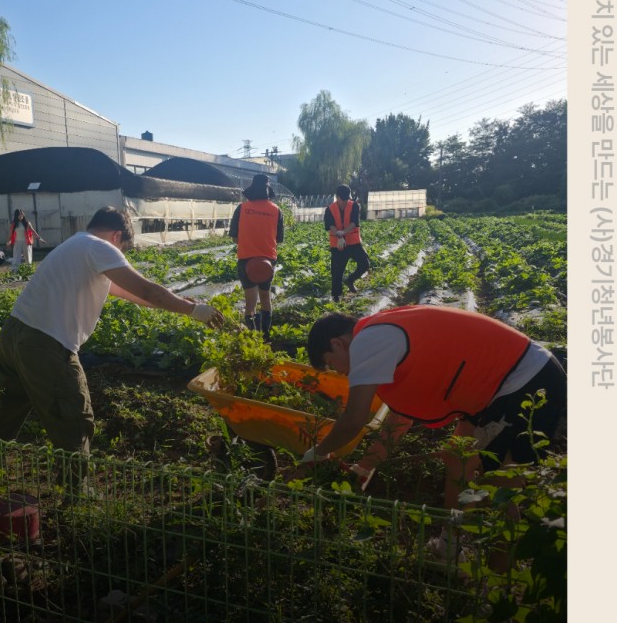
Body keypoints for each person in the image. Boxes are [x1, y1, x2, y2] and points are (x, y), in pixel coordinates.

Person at [0, 207, 223, 489]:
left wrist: (184, 305)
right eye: (123, 247)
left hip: (14, 334)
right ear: (117, 235)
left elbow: (135, 295)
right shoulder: (100, 247)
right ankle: (76, 493)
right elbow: (146, 290)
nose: (121, 253)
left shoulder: (76, 244)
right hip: (45, 343)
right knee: (74, 416)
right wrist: (196, 312)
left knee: (8, 408)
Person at [300, 306, 567, 549]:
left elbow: (353, 419)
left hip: (526, 381)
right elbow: (400, 419)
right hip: (498, 384)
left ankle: (497, 577)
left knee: (501, 489)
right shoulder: (384, 333)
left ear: (337, 344)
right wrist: (364, 468)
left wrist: (316, 455)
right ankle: (450, 547)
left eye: (331, 364)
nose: (340, 372)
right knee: (457, 457)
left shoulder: (369, 340)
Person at [229, 173, 284, 339]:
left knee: (250, 301)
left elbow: (234, 237)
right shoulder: (276, 210)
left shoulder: (242, 208)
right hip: (268, 260)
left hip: (246, 260)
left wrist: (249, 242)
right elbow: (279, 239)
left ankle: (253, 337)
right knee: (266, 297)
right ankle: (266, 335)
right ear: (268, 190)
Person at [324, 185, 370, 302]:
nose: (345, 201)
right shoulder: (330, 209)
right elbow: (329, 225)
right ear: (337, 197)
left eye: (347, 198)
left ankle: (350, 280)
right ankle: (336, 297)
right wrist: (338, 235)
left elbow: (354, 223)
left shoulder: (354, 206)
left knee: (365, 264)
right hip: (338, 246)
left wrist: (343, 232)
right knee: (337, 272)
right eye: (343, 199)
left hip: (354, 243)